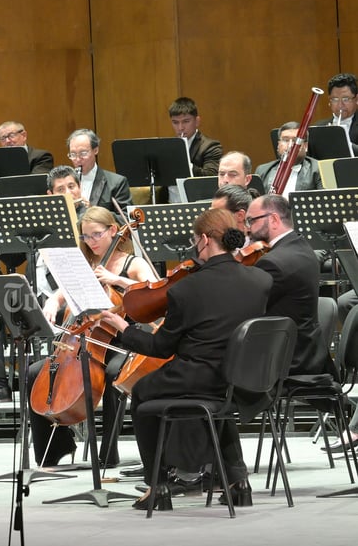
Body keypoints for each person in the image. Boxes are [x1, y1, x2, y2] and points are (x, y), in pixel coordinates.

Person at [101, 208, 272, 510]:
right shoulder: (260, 279)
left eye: (195, 240)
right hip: (243, 380)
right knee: (219, 398)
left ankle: (158, 487)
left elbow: (161, 347)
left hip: (199, 377)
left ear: (204, 239)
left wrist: (125, 329)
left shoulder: (186, 289)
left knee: (140, 391)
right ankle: (238, 482)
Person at [27, 206, 156, 468]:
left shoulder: (133, 263)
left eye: (96, 235)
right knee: (34, 372)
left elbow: (154, 288)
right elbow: (64, 291)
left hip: (122, 338)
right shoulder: (87, 263)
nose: (91, 242)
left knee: (112, 375)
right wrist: (53, 301)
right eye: (86, 237)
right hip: (83, 340)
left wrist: (116, 280)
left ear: (112, 231)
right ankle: (56, 448)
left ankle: (109, 451)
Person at [0, 166, 88, 405]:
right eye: (60, 189)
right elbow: (13, 260)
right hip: (33, 292)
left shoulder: (88, 218)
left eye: (72, 187)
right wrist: (5, 236)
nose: (68, 193)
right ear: (50, 195)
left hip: (67, 296)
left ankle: (54, 385)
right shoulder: (39, 219)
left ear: (79, 188)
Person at [247, 194, 331, 376]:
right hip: (307, 351)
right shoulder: (302, 246)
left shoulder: (272, 263)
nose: (248, 229)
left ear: (274, 219)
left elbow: (247, 307)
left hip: (286, 358)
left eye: (251, 221)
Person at [66, 128, 132, 213]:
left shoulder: (116, 183)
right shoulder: (64, 184)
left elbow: (127, 217)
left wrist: (94, 212)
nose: (78, 159)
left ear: (95, 150)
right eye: (73, 154)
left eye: (83, 153)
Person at [254, 121, 323, 196]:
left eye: (295, 141)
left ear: (305, 146)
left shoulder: (320, 169)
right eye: (285, 140)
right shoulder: (262, 170)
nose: (290, 145)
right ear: (278, 145)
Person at [168, 97, 222, 176]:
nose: (180, 128)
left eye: (186, 121)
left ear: (197, 121)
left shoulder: (211, 147)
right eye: (175, 122)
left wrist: (183, 163)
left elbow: (210, 176)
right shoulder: (168, 147)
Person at [314, 72, 358, 154]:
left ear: (356, 99)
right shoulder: (319, 127)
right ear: (329, 100)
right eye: (335, 99)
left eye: (346, 99)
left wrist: (343, 142)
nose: (340, 105)